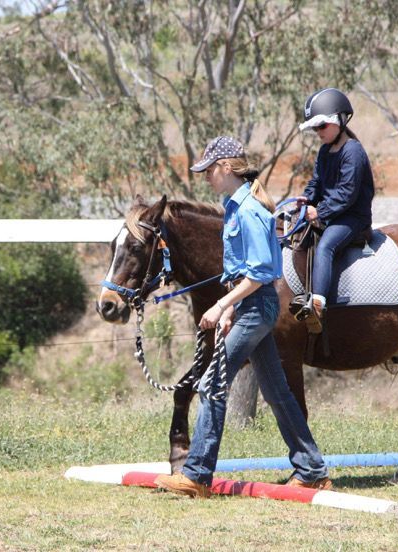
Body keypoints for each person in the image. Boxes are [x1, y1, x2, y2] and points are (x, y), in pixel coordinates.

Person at [154, 136, 331, 498]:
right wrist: (230, 308)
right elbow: (240, 273)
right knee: (277, 391)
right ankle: (312, 469)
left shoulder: (249, 210)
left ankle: (197, 474)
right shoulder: (234, 206)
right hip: (251, 305)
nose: (204, 178)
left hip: (258, 304)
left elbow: (261, 272)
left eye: (208, 171)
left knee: (212, 383)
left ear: (224, 168)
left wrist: (221, 305)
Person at [296, 88, 375, 330]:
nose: (318, 133)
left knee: (327, 245)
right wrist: (306, 199)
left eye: (321, 127)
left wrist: (319, 213)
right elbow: (317, 183)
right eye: (315, 129)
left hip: (352, 217)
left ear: (340, 120)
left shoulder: (353, 151)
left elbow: (347, 195)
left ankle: (318, 305)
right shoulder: (324, 151)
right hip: (332, 213)